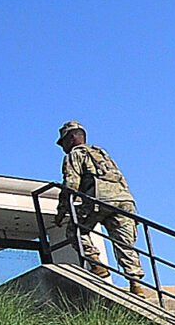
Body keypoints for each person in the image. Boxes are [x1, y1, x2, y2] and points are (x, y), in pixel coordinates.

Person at [55, 122, 145, 287]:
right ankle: (135, 284)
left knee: (74, 229)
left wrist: (61, 212)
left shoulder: (75, 155)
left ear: (73, 137)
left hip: (99, 200)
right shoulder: (102, 154)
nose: (63, 147)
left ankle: (96, 263)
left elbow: (71, 184)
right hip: (124, 201)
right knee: (124, 243)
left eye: (64, 142)